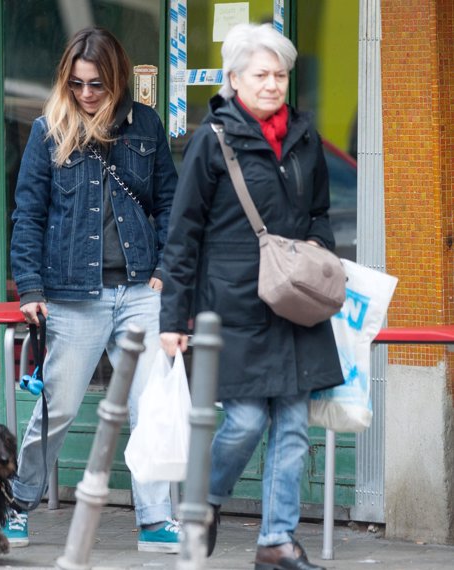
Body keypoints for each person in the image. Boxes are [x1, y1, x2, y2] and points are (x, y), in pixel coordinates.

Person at [159, 23, 343, 569]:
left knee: (292, 429)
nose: (272, 84)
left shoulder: (305, 140)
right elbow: (182, 232)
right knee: (244, 422)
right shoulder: (212, 140)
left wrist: (315, 248)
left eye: (280, 74)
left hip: (297, 306)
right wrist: (175, 316)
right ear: (235, 79)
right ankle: (204, 502)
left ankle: (277, 540)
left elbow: (320, 216)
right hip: (233, 306)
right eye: (261, 75)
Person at [8, 27, 179, 553]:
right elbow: (29, 214)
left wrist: (167, 268)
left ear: (117, 81)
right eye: (78, 83)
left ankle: (154, 518)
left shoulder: (145, 126)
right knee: (58, 407)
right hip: (72, 294)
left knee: (150, 405)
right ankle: (15, 502)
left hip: (138, 290)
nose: (86, 94)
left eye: (98, 85)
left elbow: (171, 201)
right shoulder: (47, 131)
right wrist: (30, 286)